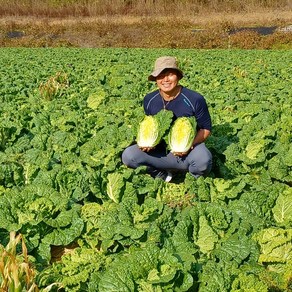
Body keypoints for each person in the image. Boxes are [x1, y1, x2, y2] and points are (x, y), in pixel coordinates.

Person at [122, 56, 212, 182]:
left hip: (187, 152)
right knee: (128, 156)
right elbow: (150, 126)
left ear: (178, 77)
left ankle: (194, 181)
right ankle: (161, 175)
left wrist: (189, 145)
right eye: (160, 75)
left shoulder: (194, 99)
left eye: (170, 75)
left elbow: (206, 129)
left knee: (203, 160)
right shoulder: (149, 100)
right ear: (155, 79)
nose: (165, 79)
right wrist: (151, 144)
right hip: (160, 152)